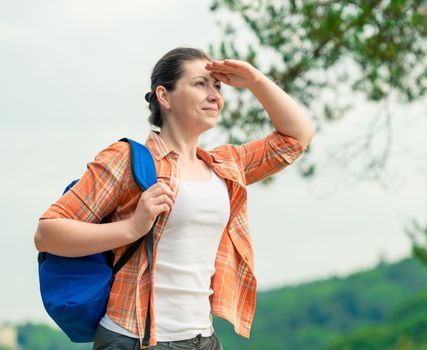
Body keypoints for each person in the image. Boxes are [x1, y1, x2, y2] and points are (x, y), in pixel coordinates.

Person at [34, 47, 315, 350]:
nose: (214, 96)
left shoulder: (226, 165)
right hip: (135, 339)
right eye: (200, 84)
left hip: (202, 339)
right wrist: (131, 228)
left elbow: (297, 137)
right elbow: (47, 233)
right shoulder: (127, 160)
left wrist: (255, 79)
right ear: (164, 97)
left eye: (217, 86)